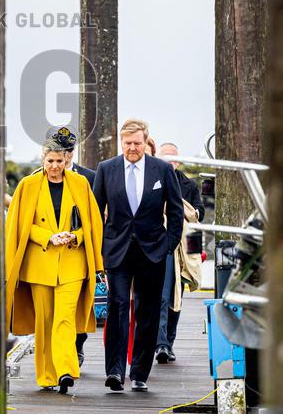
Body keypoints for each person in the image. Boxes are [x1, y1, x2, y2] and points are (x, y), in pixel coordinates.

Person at [5, 140, 104, 394]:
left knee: (64, 318)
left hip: (72, 262)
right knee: (45, 321)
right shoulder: (27, 186)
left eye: (59, 161)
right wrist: (47, 236)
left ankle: (65, 371)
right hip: (39, 265)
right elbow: (19, 225)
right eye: (50, 161)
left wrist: (76, 236)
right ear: (43, 160)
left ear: (66, 160)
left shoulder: (80, 184)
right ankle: (47, 375)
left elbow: (93, 223)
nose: (55, 166)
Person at [92, 119, 183, 393]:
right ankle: (115, 372)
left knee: (147, 311)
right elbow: (96, 211)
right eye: (127, 143)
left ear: (146, 142)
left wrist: (168, 244)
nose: (132, 148)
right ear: (121, 142)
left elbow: (176, 211)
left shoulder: (162, 170)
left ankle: (140, 373)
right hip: (117, 251)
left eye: (137, 143)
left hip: (153, 251)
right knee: (118, 306)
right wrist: (101, 247)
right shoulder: (106, 169)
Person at [45, 126, 97, 366]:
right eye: (57, 152)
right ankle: (56, 362)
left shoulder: (89, 178)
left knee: (74, 309)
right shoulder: (39, 176)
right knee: (51, 314)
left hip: (76, 254)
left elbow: (97, 218)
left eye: (66, 151)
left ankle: (76, 348)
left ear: (72, 152)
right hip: (47, 257)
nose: (62, 157)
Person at [155, 142, 203, 363]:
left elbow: (198, 212)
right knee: (162, 296)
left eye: (173, 159)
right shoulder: (153, 179)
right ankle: (161, 344)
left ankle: (169, 342)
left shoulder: (189, 185)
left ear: (179, 161)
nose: (169, 163)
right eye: (165, 159)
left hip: (181, 248)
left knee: (177, 296)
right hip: (160, 245)